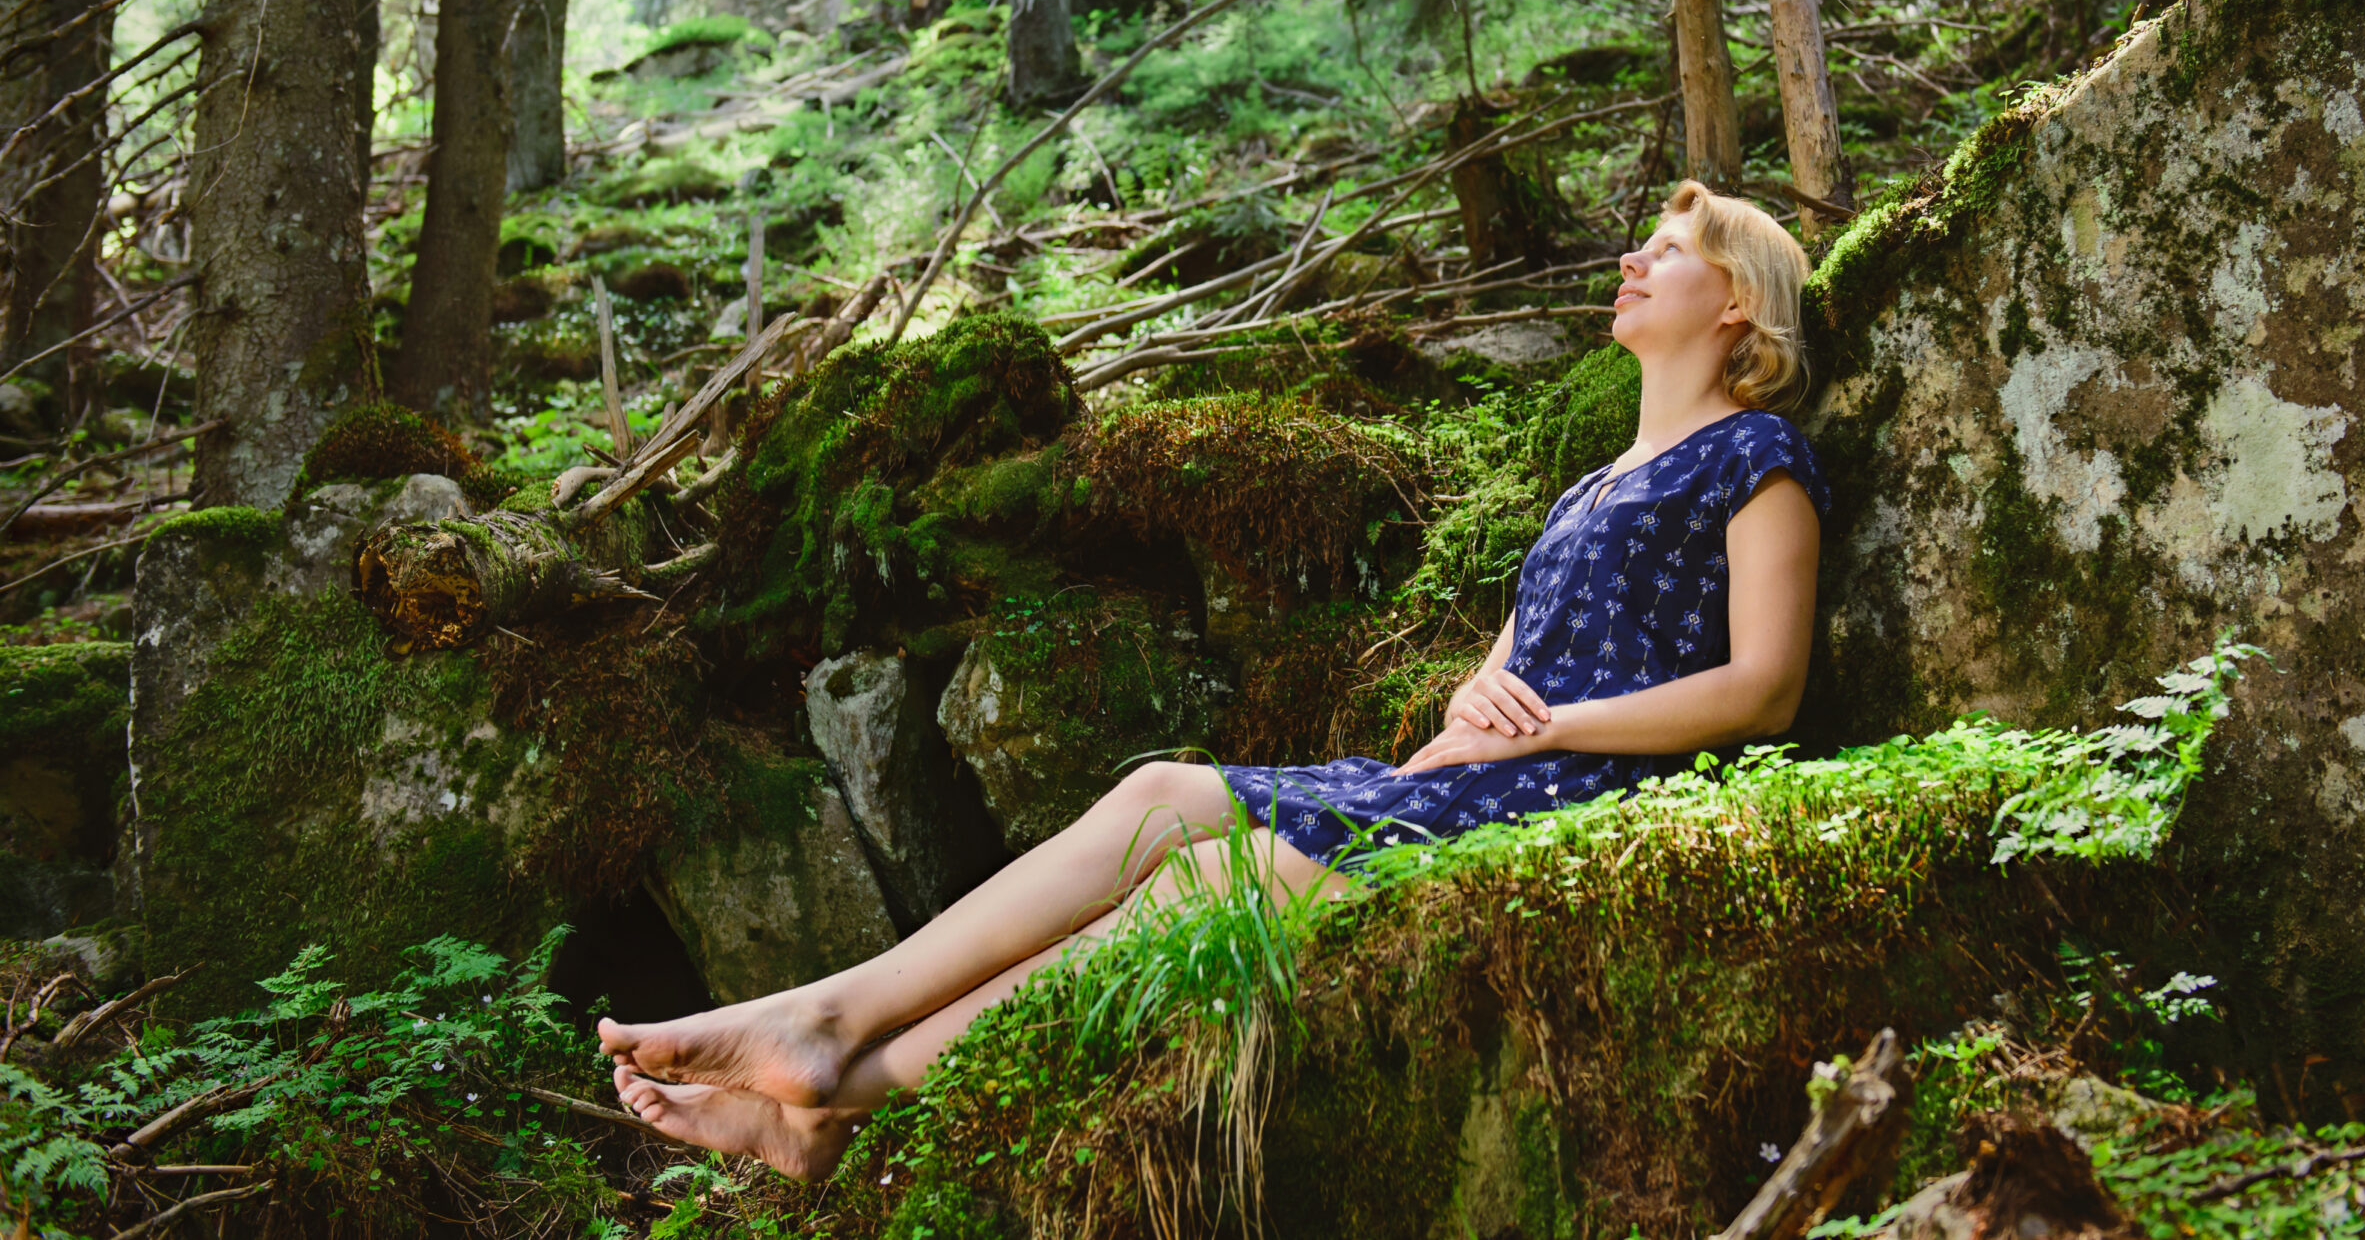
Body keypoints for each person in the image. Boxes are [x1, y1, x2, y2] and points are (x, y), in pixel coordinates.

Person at [603, 180, 1831, 1178]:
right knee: (1163, 794)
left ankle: (839, 1083)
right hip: (1481, 776)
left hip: (1587, 795)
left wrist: (1549, 725)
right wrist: (1472, 708)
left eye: (1666, 251)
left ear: (1738, 307)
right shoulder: (1588, 484)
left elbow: (1765, 688)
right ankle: (829, 1023)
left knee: (1215, 878)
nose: (1631, 261)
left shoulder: (1757, 455)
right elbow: (1498, 668)